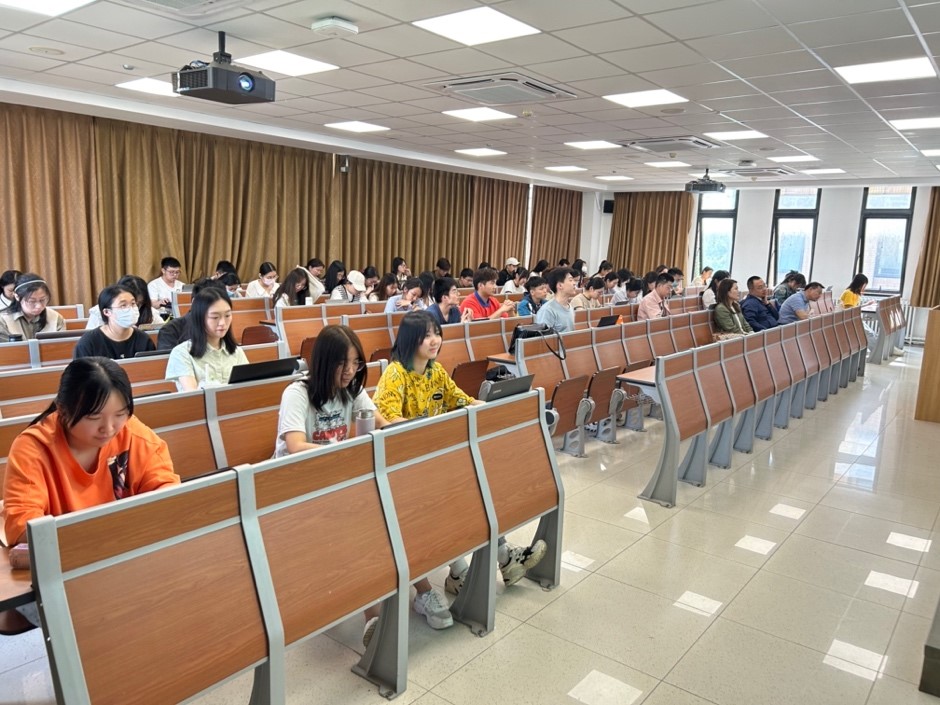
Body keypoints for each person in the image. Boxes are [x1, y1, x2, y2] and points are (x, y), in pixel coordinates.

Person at [371, 312, 545, 636]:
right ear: (410, 340)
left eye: (436, 333)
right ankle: (487, 563)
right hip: (405, 468)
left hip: (437, 460)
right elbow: (389, 424)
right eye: (427, 335)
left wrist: (483, 405)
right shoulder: (395, 375)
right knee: (461, 497)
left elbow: (459, 400)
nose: (434, 340)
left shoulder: (435, 371)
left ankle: (503, 558)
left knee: (477, 489)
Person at [2, 356, 179, 559]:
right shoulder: (33, 450)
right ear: (63, 410)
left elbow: (168, 494)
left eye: (120, 414)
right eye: (94, 417)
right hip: (72, 562)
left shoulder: (133, 434)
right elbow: (22, 526)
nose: (109, 428)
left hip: (130, 555)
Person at [275, 325, 388, 458]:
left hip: (335, 462)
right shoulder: (296, 393)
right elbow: (296, 447)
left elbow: (381, 423)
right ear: (324, 362)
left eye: (356, 362)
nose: (350, 371)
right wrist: (345, 453)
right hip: (297, 467)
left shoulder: (352, 388)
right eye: (342, 363)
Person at [164, 288, 248, 391]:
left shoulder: (237, 352)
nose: (223, 323)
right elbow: (193, 396)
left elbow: (246, 389)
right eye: (215, 317)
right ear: (199, 318)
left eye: (227, 315)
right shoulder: (182, 353)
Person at [73, 285, 156, 359]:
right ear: (107, 312)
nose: (130, 309)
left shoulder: (143, 339)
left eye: (133, 303)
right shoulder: (88, 343)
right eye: (123, 305)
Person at [156, 277, 225, 351]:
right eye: (211, 303)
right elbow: (169, 358)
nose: (217, 308)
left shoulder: (223, 327)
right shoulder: (170, 330)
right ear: (195, 302)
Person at [0, 274, 65, 342]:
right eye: (32, 301)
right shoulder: (3, 320)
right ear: (17, 297)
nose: (39, 306)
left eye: (42, 300)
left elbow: (62, 345)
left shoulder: (56, 318)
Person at [85, 275, 161, 329]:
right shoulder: (99, 312)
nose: (134, 308)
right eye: (124, 305)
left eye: (137, 304)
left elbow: (162, 330)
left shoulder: (150, 312)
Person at [536, 267, 577, 332]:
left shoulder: (570, 307)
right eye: (570, 280)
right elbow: (542, 336)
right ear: (560, 285)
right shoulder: (547, 310)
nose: (574, 283)